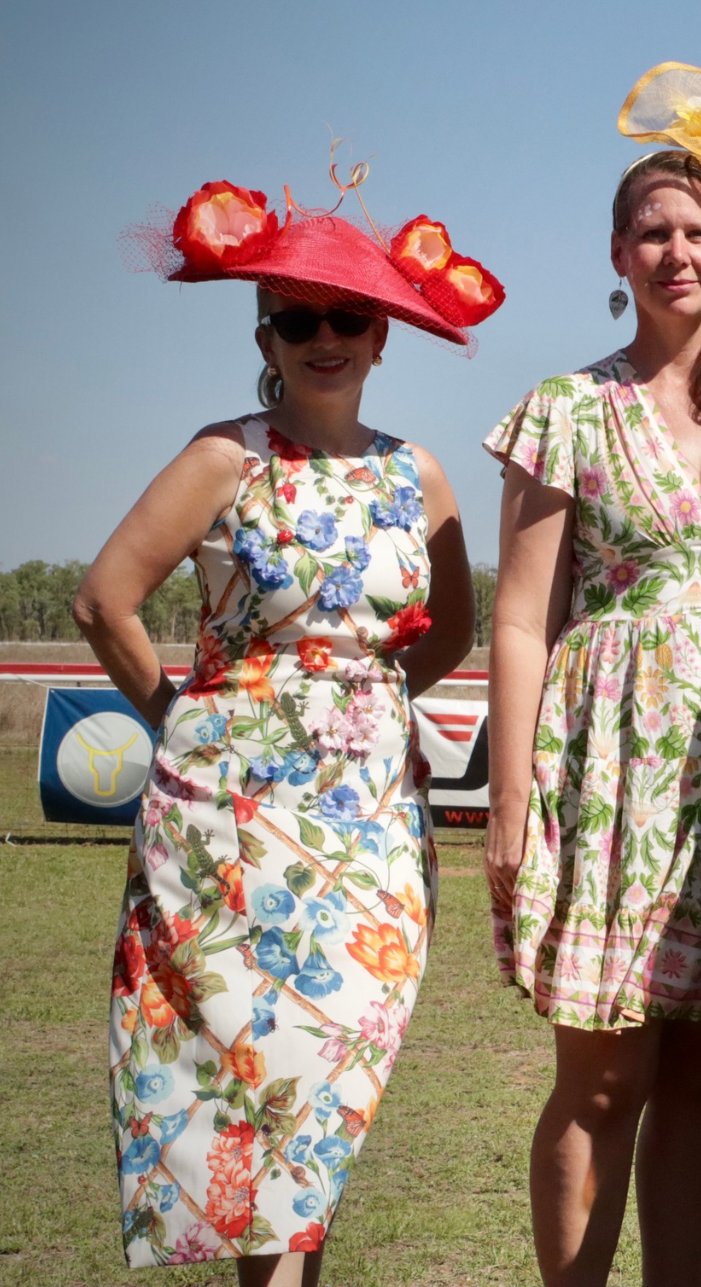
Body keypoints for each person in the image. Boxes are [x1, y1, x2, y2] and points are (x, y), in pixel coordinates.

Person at [83, 173, 496, 1280]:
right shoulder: (225, 457)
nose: (325, 338)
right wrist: (181, 719)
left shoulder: (420, 475)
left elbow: (450, 632)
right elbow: (103, 600)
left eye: (348, 318)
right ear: (264, 331)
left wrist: (364, 707)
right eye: (296, 318)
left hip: (368, 832)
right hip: (225, 825)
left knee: (330, 1081)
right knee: (244, 1084)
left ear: (383, 335)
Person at [483, 63, 701, 1287]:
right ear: (617, 256)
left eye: (696, 230)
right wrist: (511, 797)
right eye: (650, 232)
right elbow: (519, 621)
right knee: (603, 1073)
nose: (674, 251)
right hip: (603, 775)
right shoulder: (562, 411)